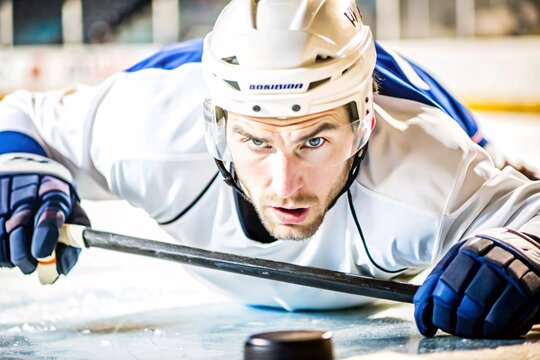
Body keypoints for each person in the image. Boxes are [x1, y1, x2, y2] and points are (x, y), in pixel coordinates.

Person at [0, 0, 539, 339]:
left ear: (364, 125)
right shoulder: (148, 129)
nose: (285, 186)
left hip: (424, 100)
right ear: (215, 130)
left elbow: (528, 213)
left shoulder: (426, 167)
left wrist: (519, 247)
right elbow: (21, 116)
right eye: (256, 141)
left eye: (315, 139)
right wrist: (21, 173)